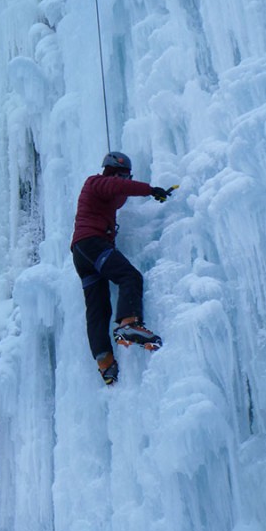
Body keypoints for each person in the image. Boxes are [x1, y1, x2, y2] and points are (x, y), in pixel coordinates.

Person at [71, 152, 172, 384]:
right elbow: (115, 186)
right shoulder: (95, 182)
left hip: (83, 254)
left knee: (98, 309)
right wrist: (151, 189)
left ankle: (105, 362)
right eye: (123, 176)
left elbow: (117, 192)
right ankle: (129, 324)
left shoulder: (105, 196)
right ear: (111, 171)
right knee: (129, 276)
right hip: (91, 244)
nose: (125, 181)